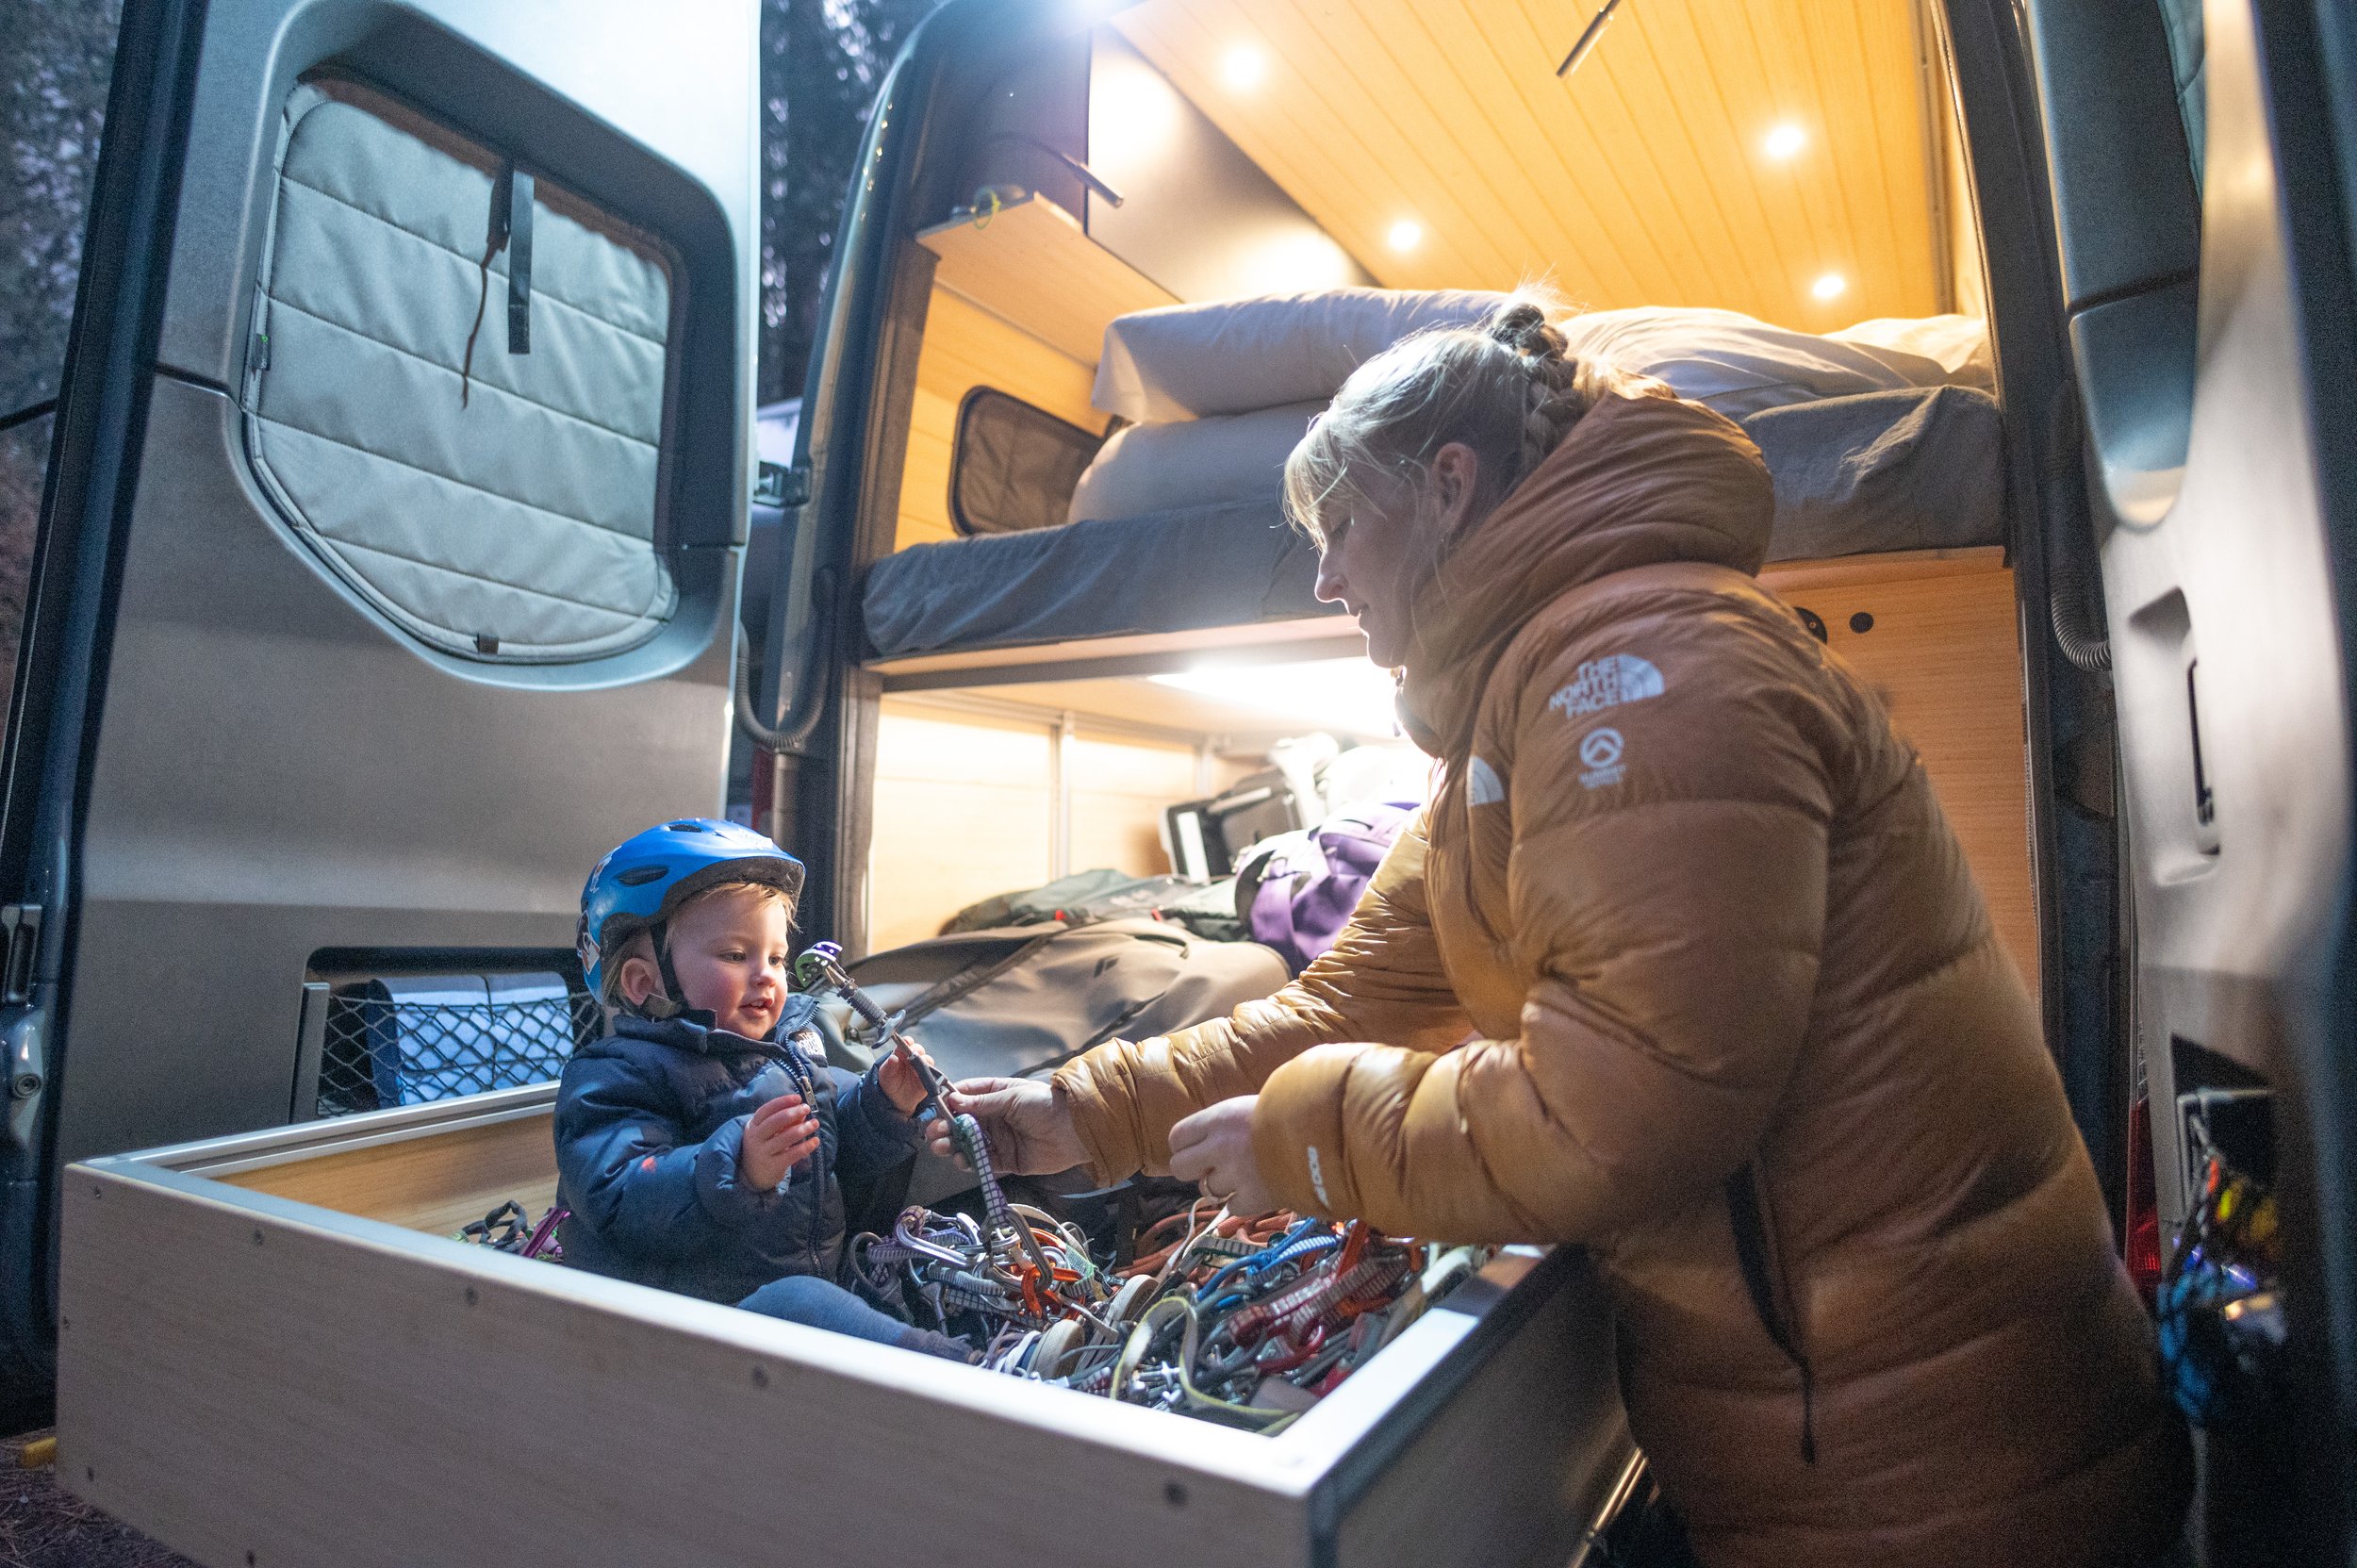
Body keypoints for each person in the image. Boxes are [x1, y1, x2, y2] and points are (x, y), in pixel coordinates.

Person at [938, 300, 2190, 1563]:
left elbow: (1626, 1106)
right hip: (1828, 1436)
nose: (1323, 577)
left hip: (1947, 1470)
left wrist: (1312, 1139)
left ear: (1447, 485)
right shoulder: (1518, 711)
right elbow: (1341, 1006)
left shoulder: (1650, 665)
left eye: (1338, 527)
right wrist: (1087, 1110)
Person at [557, 818, 972, 1362]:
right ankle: (969, 1376)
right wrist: (739, 1166)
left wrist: (882, 1103)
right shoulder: (614, 1076)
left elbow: (835, 1142)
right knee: (801, 1302)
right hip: (694, 1330)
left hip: (812, 1286)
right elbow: (619, 1193)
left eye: (775, 958)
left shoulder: (792, 1052)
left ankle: (991, 1338)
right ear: (644, 983)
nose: (767, 976)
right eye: (735, 956)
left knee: (916, 1258)